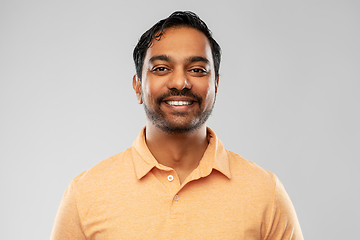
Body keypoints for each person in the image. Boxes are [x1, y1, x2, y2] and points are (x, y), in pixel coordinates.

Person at [50, 11, 303, 239]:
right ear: (138, 87)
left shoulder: (265, 193)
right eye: (161, 68)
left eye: (197, 70)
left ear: (215, 86)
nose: (180, 82)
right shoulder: (85, 195)